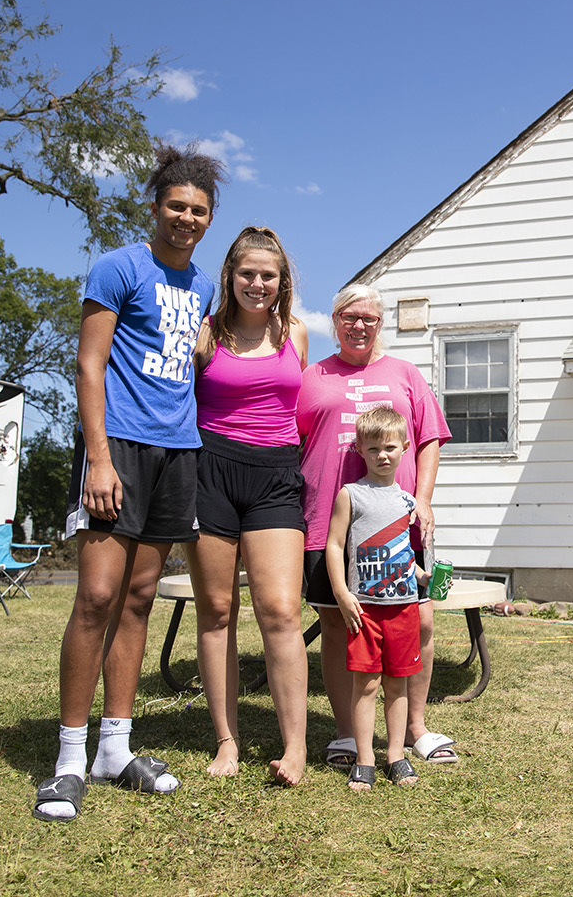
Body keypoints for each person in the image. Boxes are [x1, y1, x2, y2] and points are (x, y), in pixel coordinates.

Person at [33, 143, 225, 823]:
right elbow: (89, 366)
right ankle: (67, 760)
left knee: (141, 597)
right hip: (118, 447)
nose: (186, 218)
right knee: (96, 597)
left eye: (199, 211)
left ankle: (116, 747)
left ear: (209, 218)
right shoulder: (118, 267)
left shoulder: (203, 286)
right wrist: (100, 458)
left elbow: (185, 363)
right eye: (176, 206)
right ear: (155, 206)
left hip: (178, 452)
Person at [297, 284, 456, 769]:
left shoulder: (405, 374)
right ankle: (346, 733)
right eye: (348, 316)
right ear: (334, 320)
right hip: (330, 522)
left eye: (368, 317)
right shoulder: (312, 377)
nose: (358, 325)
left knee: (420, 620)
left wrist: (423, 501)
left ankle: (416, 728)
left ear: (380, 322)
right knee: (336, 622)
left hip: (399, 524)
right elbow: (288, 439)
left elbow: (429, 438)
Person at [184, 227, 309, 785]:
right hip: (210, 471)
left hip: (277, 476)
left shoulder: (296, 334)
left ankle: (296, 746)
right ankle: (227, 742)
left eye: (269, 275)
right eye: (247, 274)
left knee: (280, 611)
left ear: (282, 282)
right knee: (216, 612)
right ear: (230, 277)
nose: (257, 283)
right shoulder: (204, 334)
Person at [325, 407, 424, 789]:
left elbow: (404, 552)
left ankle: (396, 754)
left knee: (397, 685)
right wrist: (341, 591)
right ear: (359, 450)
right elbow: (334, 545)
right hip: (363, 610)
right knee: (365, 686)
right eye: (373, 449)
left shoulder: (408, 502)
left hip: (403, 609)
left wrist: (421, 575)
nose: (382, 455)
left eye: (389, 447)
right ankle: (365, 758)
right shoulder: (350, 495)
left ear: (404, 448)